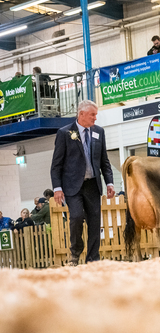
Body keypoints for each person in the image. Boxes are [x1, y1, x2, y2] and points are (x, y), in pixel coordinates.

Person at [50, 100, 115, 266]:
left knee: (95, 222)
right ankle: (75, 253)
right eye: (92, 114)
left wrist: (110, 183)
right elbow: (56, 164)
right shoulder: (64, 133)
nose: (95, 118)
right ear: (81, 114)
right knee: (77, 217)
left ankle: (93, 259)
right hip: (72, 186)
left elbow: (104, 161)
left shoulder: (99, 132)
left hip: (93, 185)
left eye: (96, 114)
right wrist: (57, 188)